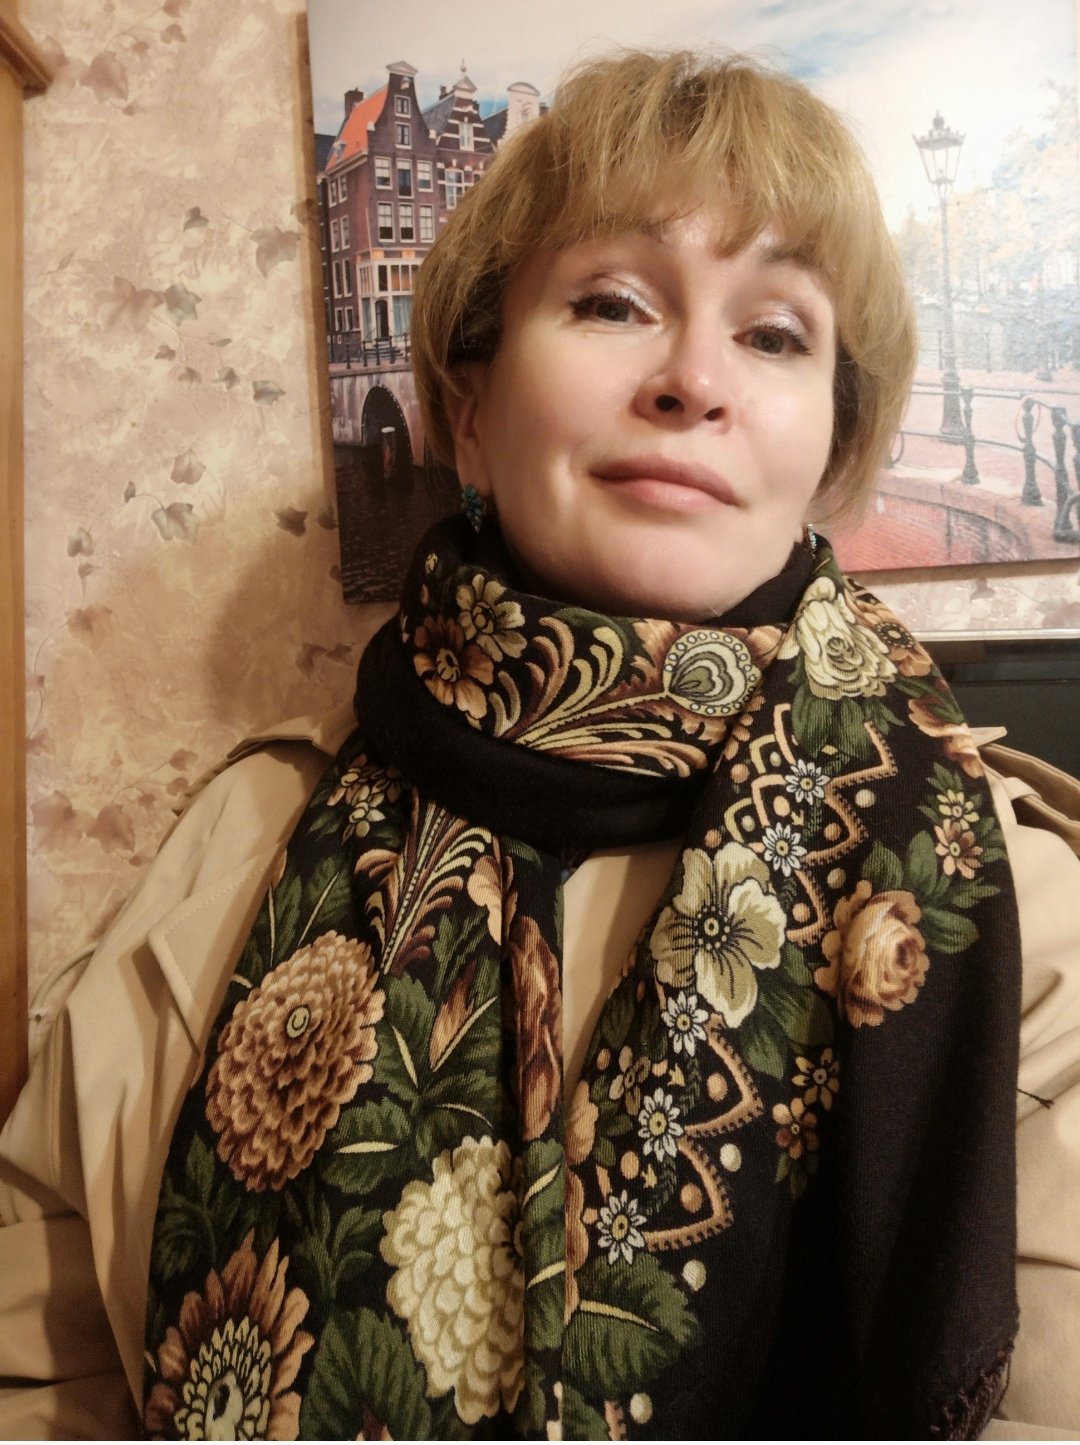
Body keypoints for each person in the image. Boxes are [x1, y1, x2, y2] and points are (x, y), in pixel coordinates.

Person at [1, 46, 1078, 1441]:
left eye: (773, 334)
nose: (694, 378)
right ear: (470, 411)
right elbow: (48, 1367)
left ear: (830, 439)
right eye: (614, 302)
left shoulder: (1003, 900)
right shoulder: (236, 847)